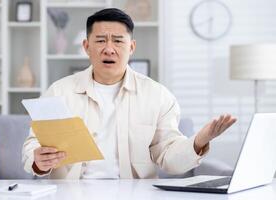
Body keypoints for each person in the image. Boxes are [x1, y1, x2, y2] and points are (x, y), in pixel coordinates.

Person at [22, 8, 236, 179]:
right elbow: (33, 143)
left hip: (133, 193)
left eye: (117, 40)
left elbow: (169, 158)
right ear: (86, 46)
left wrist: (198, 142)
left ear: (131, 47)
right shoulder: (59, 91)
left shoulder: (158, 96)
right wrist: (37, 161)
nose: (109, 48)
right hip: (69, 193)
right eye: (100, 40)